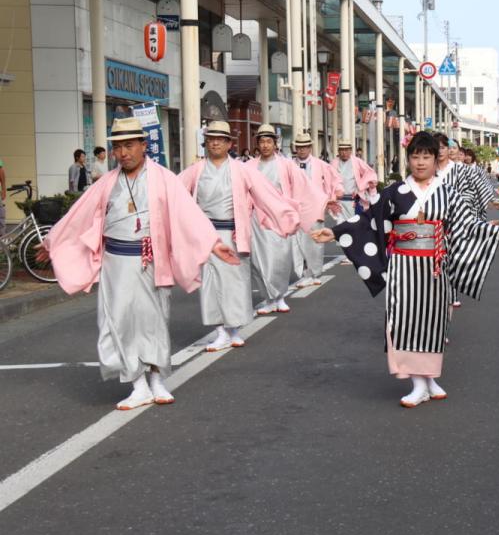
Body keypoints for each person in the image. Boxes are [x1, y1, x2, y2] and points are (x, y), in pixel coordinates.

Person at [37, 117, 240, 410]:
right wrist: (52, 242)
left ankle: (157, 379)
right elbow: (77, 215)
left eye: (129, 146)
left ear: (144, 146)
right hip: (115, 264)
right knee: (119, 323)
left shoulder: (164, 178)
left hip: (149, 261)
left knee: (153, 321)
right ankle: (138, 384)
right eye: (118, 147)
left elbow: (188, 214)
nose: (123, 153)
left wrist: (212, 243)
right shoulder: (106, 183)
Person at [311, 131, 499, 408]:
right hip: (403, 265)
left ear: (436, 160)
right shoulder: (394, 192)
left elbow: (466, 225)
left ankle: (430, 377)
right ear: (408, 159)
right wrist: (337, 232)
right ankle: (418, 383)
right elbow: (368, 221)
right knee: (404, 321)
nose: (420, 162)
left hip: (436, 265)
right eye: (415, 157)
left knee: (434, 322)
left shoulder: (448, 192)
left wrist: (498, 234)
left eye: (427, 157)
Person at [179, 121, 305, 351]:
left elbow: (267, 195)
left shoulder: (242, 170)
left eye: (220, 138)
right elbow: (174, 193)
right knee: (210, 285)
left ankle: (234, 329)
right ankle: (219, 331)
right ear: (205, 142)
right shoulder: (195, 171)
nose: (215, 142)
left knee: (236, 283)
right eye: (211, 138)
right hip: (207, 237)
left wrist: (288, 216)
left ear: (229, 143)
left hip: (234, 234)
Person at [249, 124, 322, 314]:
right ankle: (268, 298)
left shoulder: (286, 164)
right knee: (258, 260)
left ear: (275, 143)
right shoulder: (248, 166)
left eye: (268, 141)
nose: (265, 145)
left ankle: (279, 296)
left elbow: (302, 186)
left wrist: (309, 206)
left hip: (280, 217)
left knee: (279, 258)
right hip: (256, 217)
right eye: (262, 141)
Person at [291, 133, 341, 287]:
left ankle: (316, 272)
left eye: (305, 147)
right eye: (299, 147)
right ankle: (305, 273)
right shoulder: (289, 164)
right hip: (296, 207)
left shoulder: (320, 164)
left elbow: (335, 179)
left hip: (315, 207)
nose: (301, 150)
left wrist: (332, 195)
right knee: (298, 242)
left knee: (315, 240)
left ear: (310, 148)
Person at [334, 141, 379, 222]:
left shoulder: (357, 161)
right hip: (338, 202)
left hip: (353, 201)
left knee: (353, 226)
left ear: (350, 150)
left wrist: (361, 186)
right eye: (341, 150)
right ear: (338, 151)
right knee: (340, 228)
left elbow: (370, 173)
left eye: (346, 150)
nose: (344, 152)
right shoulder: (334, 163)